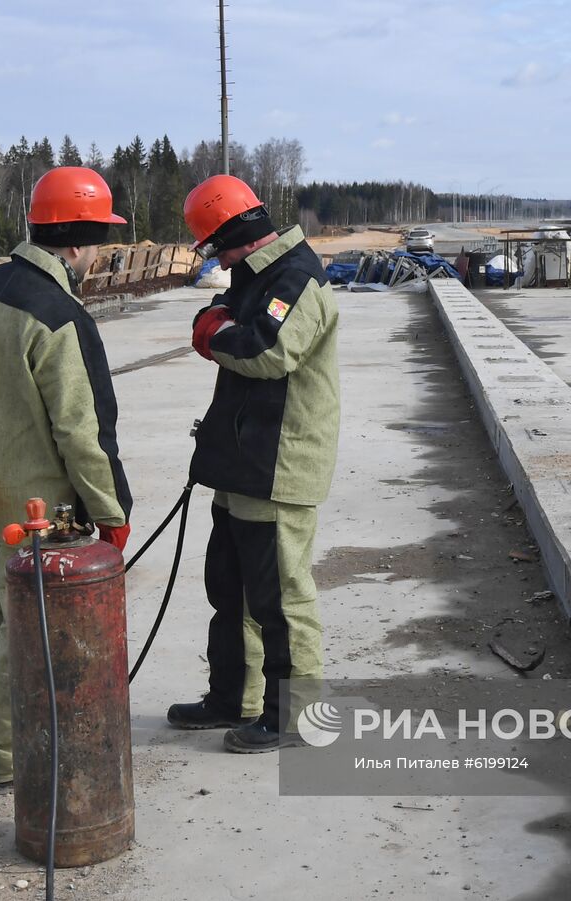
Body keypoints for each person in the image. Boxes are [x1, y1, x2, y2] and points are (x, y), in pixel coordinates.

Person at [0, 166, 133, 792]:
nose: (100, 252)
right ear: (77, 242)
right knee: (22, 632)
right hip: (34, 508)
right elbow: (83, 431)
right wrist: (111, 511)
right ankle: (6, 762)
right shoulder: (60, 316)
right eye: (100, 239)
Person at [168, 174, 341, 753]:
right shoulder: (257, 273)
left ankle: (294, 717)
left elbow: (265, 350)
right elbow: (222, 315)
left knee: (281, 600)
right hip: (242, 461)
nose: (218, 262)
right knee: (232, 591)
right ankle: (233, 698)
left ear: (235, 234)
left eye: (216, 248)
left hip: (277, 466)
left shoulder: (295, 278)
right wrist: (216, 322)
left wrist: (212, 329)